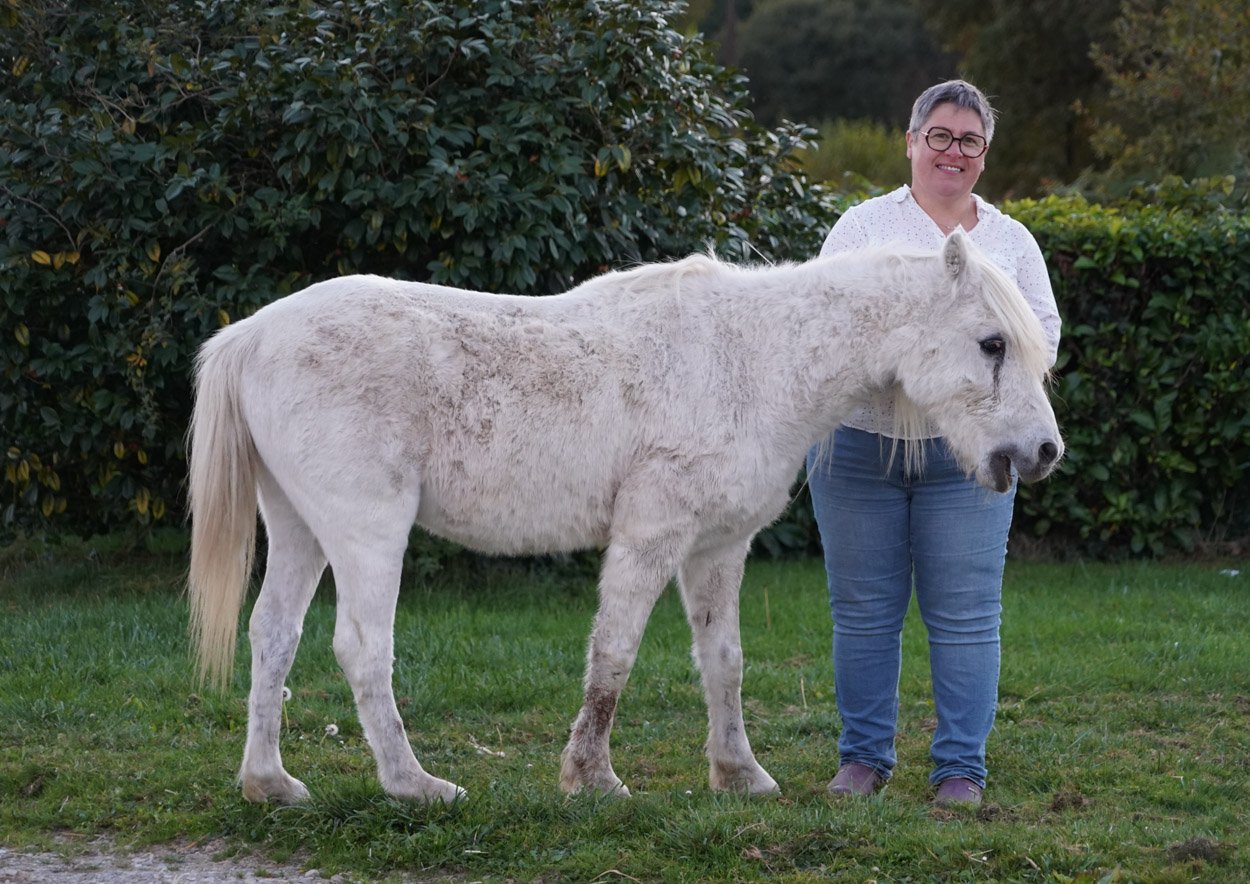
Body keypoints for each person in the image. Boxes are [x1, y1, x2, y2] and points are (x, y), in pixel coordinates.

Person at [806, 80, 1062, 807]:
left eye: (970, 140)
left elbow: (1041, 337)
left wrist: (970, 378)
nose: (954, 151)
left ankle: (960, 769)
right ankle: (863, 758)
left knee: (967, 616)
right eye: (940, 136)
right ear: (912, 142)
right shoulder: (861, 228)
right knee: (863, 612)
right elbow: (823, 328)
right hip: (860, 449)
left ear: (985, 153)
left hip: (967, 457)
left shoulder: (1010, 242)